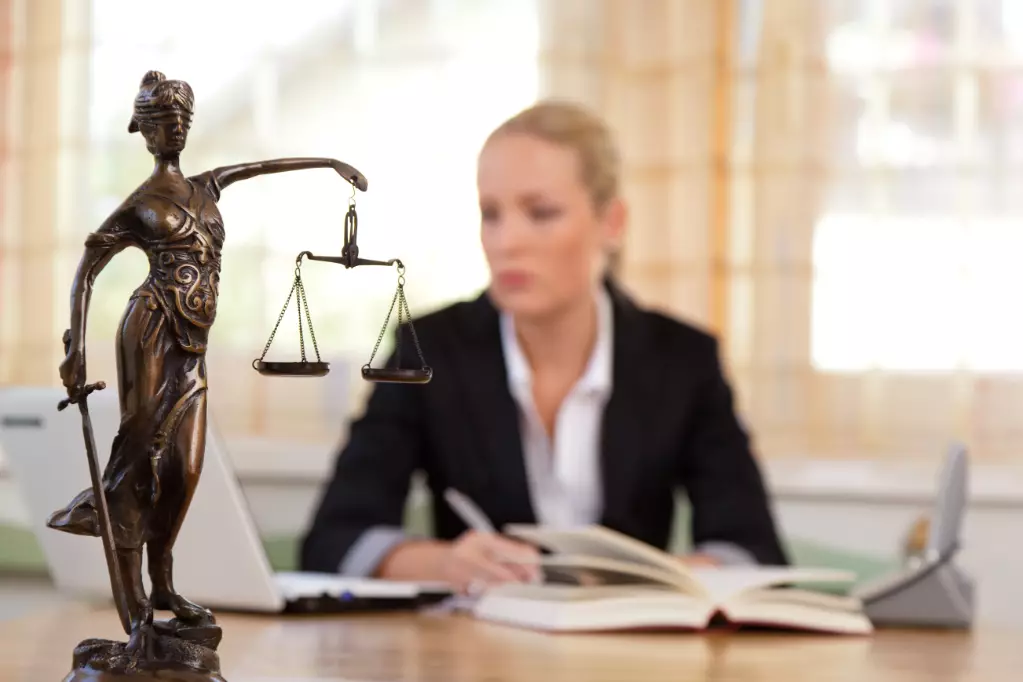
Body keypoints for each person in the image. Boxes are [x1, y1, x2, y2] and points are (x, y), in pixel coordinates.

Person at [300, 100, 788, 593]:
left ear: (611, 223)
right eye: (491, 215)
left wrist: (648, 581)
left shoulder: (682, 359)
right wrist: (445, 564)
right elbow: (334, 539)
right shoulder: (429, 349)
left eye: (541, 213)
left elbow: (752, 551)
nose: (506, 241)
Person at [48, 70, 366, 650]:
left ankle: (164, 585)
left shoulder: (208, 186)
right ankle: (135, 599)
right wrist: (76, 349)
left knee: (185, 469)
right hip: (149, 328)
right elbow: (87, 271)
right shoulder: (140, 203)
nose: (173, 129)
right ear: (143, 131)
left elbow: (263, 167)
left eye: (181, 122)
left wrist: (328, 163)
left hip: (195, 342)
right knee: (140, 456)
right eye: (162, 121)